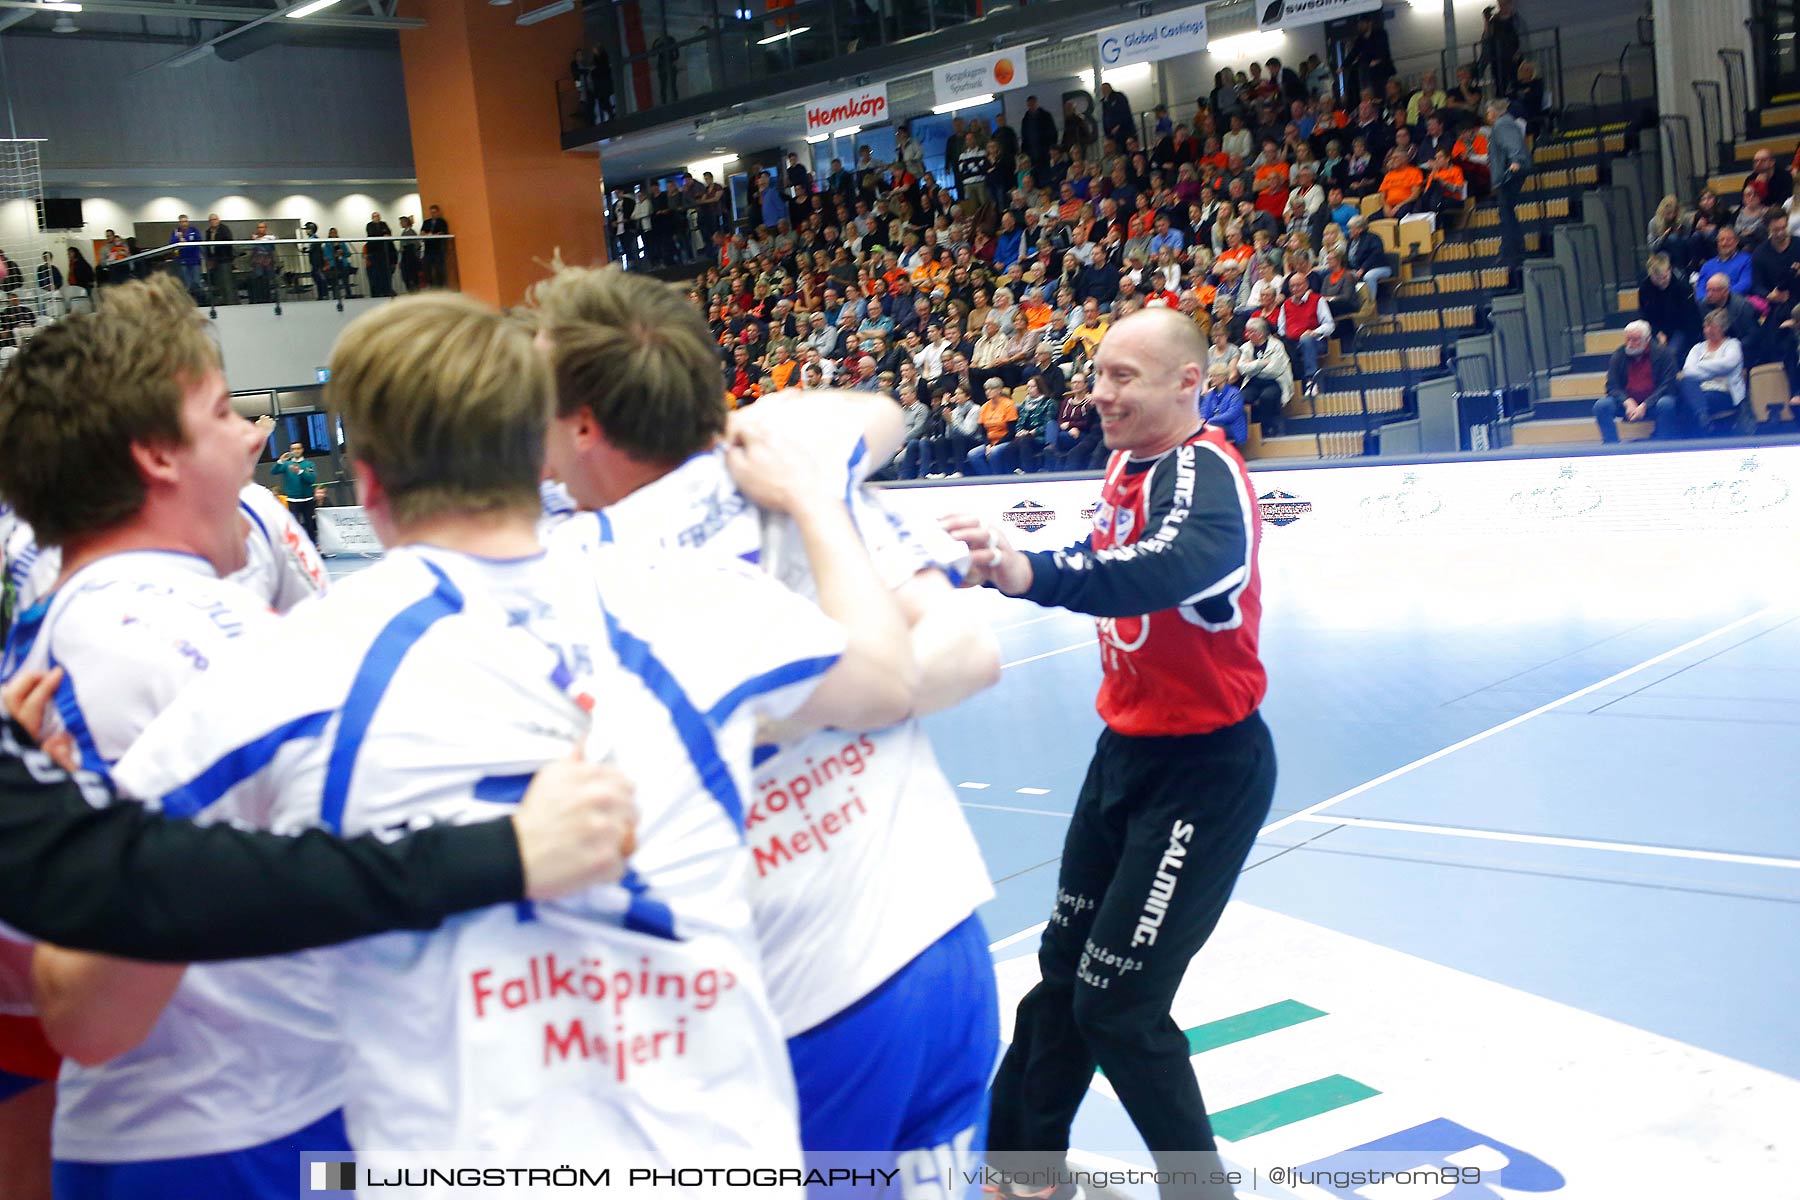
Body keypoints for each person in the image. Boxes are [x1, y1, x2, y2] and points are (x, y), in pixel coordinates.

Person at [108, 290, 894, 1178]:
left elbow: (85, 985)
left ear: (365, 481)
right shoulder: (699, 600)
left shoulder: (287, 668)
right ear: (540, 451)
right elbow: (886, 672)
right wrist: (821, 503)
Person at [532, 264, 1002, 1183]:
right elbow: (966, 648)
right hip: (943, 941)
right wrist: (863, 687)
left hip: (806, 996)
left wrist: (769, 712)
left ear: (584, 423)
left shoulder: (576, 570)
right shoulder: (800, 478)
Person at [0, 274, 358, 1197]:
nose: (250, 437)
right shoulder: (104, 654)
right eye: (221, 411)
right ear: (158, 453)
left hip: (284, 1099)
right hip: (207, 1136)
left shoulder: (181, 622)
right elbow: (64, 1005)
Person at [941, 307, 1275, 1199]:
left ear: (1187, 383)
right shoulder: (1129, 463)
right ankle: (1021, 1172)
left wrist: (1029, 575)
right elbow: (1100, 551)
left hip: (1205, 774)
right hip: (1124, 753)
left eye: (1124, 377)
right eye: (1099, 375)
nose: (1099, 394)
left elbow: (1161, 568)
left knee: (1119, 1004)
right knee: (1065, 975)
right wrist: (1012, 555)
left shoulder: (1208, 473)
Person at [1593, 321, 1678, 442]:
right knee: (1601, 406)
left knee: (1666, 403)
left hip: (1654, 402)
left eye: (1635, 340)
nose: (1630, 344)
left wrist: (1645, 405)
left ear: (1647, 339)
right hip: (1627, 404)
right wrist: (1627, 402)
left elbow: (1668, 385)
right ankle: (1611, 445)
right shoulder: (1619, 354)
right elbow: (1612, 386)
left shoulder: (1664, 354)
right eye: (1627, 339)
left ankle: (1664, 444)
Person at [1676, 309, 1746, 435]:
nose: (1708, 331)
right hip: (1699, 391)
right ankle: (1703, 418)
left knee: (1689, 403)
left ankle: (1700, 429)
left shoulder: (1732, 345)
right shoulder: (1697, 348)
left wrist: (1700, 367)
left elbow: (1728, 364)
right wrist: (1716, 372)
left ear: (1723, 328)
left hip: (1724, 392)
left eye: (1713, 327)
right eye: (1706, 327)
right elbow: (1688, 370)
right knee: (1686, 382)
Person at [1486, 99, 1530, 270]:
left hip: (1509, 174)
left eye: (1489, 111)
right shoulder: (1504, 123)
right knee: (1506, 212)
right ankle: (1511, 249)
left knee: (1506, 213)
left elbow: (1512, 144)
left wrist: (1516, 161)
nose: (1487, 115)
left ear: (1495, 112)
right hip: (1508, 173)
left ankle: (1512, 251)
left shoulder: (1502, 124)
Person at [268, 440, 318, 541]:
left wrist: (299, 471)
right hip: (293, 500)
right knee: (294, 526)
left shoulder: (309, 464)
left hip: (307, 499)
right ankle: (298, 549)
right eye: (293, 449)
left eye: (298, 448)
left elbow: (311, 479)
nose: (296, 451)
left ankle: (313, 546)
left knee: (309, 525)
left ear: (302, 450)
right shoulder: (286, 464)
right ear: (291, 451)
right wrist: (280, 461)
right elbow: (273, 471)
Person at [1198, 360, 1246, 444]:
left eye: (1216, 376)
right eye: (1211, 376)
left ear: (1224, 377)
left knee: (1209, 430)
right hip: (1213, 425)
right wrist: (1202, 418)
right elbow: (1204, 410)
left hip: (1232, 428)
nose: (1213, 378)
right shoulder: (1210, 394)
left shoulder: (1235, 393)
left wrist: (1210, 421)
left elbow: (1231, 415)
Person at [201, 212, 236, 305]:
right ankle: (224, 302)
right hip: (214, 261)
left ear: (218, 220)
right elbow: (207, 247)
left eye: (215, 219)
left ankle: (231, 303)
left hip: (224, 260)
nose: (213, 221)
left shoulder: (224, 229)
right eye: (211, 220)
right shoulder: (208, 232)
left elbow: (228, 243)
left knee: (227, 283)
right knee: (219, 283)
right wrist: (209, 260)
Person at [166, 215, 202, 296]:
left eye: (185, 221)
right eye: (182, 222)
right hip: (182, 261)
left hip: (195, 261)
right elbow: (171, 244)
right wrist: (178, 239)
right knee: (186, 284)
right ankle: (189, 303)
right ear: (179, 223)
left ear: (188, 222)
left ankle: (199, 302)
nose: (184, 224)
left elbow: (199, 240)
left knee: (196, 281)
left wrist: (186, 239)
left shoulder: (194, 230)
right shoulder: (176, 232)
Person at [364, 210, 394, 298]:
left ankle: (386, 290)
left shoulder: (384, 224)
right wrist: (382, 234)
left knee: (385, 273)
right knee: (376, 273)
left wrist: (383, 234)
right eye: (375, 216)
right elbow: (372, 234)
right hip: (374, 252)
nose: (377, 218)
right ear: (372, 218)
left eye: (378, 216)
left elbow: (388, 233)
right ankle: (378, 292)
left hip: (384, 252)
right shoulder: (369, 225)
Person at [420, 204, 450, 288]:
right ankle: (431, 285)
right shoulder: (426, 222)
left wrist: (432, 234)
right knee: (428, 268)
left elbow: (442, 233)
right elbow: (422, 232)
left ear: (438, 212)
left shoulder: (442, 222)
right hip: (428, 248)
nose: (433, 214)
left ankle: (440, 286)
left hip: (438, 248)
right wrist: (427, 234)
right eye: (431, 212)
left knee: (439, 268)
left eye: (434, 212)